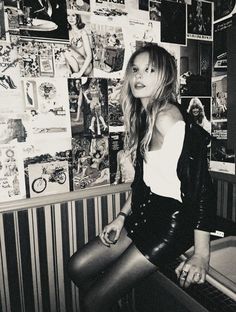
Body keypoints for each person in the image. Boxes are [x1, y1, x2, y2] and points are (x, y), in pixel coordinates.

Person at [68, 44, 215, 312]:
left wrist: (201, 254)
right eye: (135, 69)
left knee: (92, 302)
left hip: (170, 225)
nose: (139, 76)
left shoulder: (168, 118)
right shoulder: (145, 117)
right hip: (144, 214)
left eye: (149, 70)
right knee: (77, 268)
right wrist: (121, 216)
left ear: (165, 76)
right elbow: (144, 183)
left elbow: (202, 188)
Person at [64, 11, 93, 77]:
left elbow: (89, 56)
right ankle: (75, 74)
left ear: (77, 17)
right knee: (65, 50)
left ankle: (78, 74)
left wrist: (80, 73)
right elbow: (67, 56)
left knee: (66, 50)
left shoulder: (83, 33)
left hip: (86, 67)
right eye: (68, 15)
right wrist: (68, 70)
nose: (71, 18)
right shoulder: (67, 32)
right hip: (74, 66)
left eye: (73, 15)